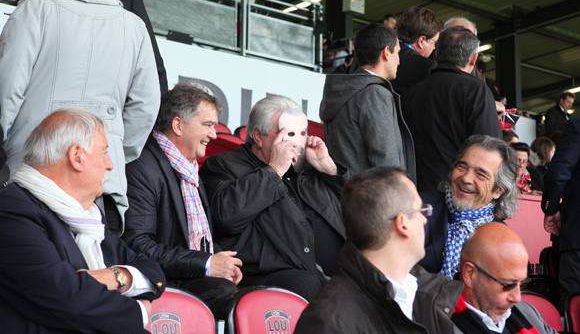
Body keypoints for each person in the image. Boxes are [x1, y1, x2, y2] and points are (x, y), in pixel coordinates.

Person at [0, 0, 160, 234]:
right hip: (101, 185)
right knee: (94, 274)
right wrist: (106, 154)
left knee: (32, 272)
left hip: (34, 174)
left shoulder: (33, 11)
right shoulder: (133, 27)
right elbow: (146, 107)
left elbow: (6, 92)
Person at [0, 108, 166, 333]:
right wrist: (140, 311)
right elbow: (69, 299)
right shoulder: (12, 210)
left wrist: (115, 277)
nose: (110, 164)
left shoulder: (87, 218)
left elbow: (152, 272)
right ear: (77, 156)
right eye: (104, 152)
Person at [200, 95, 346, 301]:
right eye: (289, 134)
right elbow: (226, 217)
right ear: (258, 137)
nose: (298, 142)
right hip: (267, 274)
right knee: (308, 283)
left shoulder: (310, 168)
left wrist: (329, 172)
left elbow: (357, 213)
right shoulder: (223, 165)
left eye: (303, 133)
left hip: (338, 274)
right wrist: (274, 170)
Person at [294, 167, 463, 334]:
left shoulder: (432, 290)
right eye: (421, 211)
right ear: (402, 224)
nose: (425, 220)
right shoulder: (328, 321)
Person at [123, 83, 240, 319]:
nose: (214, 135)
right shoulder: (142, 168)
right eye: (207, 125)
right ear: (177, 125)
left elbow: (198, 240)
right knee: (229, 297)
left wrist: (222, 262)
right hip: (161, 282)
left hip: (187, 277)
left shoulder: (188, 168)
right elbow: (137, 246)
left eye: (214, 126)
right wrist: (207, 264)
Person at [402, 26, 502, 192]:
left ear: (436, 54)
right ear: (474, 59)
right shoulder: (476, 90)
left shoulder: (409, 93)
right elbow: (490, 148)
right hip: (457, 193)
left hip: (412, 192)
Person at [320, 23, 416, 181]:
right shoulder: (375, 94)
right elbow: (386, 162)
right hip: (371, 200)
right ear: (386, 52)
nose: (399, 61)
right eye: (397, 53)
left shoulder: (343, 91)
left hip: (342, 197)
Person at [419, 135, 519, 279]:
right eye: (462, 167)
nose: (466, 178)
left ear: (498, 191)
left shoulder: (503, 240)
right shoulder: (417, 208)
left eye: (481, 174)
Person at [454, 223, 557, 334]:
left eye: (521, 283)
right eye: (508, 285)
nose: (517, 298)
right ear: (470, 275)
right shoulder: (439, 325)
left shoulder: (528, 313)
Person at [542, 118, 580, 294]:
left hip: (576, 239)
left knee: (573, 310)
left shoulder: (577, 126)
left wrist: (551, 209)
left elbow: (558, 173)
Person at [391, 6, 443, 94]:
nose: (434, 47)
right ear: (421, 41)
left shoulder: (380, 51)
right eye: (435, 43)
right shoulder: (426, 66)